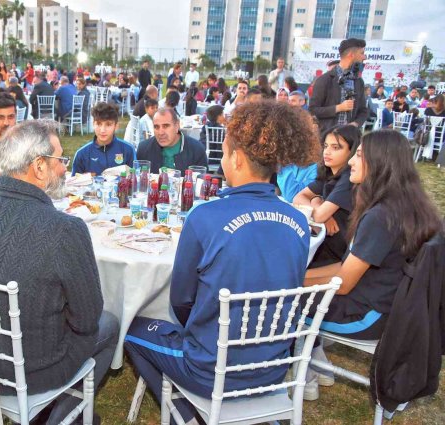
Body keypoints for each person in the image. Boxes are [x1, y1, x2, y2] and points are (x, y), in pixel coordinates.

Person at [125, 101, 318, 423]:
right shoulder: (297, 221)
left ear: (237, 158)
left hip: (210, 368)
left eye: (225, 153)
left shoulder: (205, 217)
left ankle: (183, 414)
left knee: (130, 329)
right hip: (273, 366)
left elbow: (182, 301)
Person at [0, 119, 118, 424]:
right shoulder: (65, 229)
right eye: (60, 160)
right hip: (34, 368)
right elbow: (88, 318)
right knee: (110, 324)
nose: (64, 168)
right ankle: (62, 414)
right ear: (39, 166)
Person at [302, 129, 443, 399]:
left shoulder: (380, 216)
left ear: (380, 162)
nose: (352, 162)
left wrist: (293, 281)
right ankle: (314, 365)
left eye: (358, 155)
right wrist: (300, 275)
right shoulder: (410, 205)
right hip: (394, 308)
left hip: (368, 315)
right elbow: (346, 268)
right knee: (298, 283)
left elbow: (342, 284)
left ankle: (306, 376)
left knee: (281, 302)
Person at [294, 125, 360, 266]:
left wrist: (317, 203)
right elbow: (298, 197)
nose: (327, 152)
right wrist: (318, 205)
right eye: (326, 146)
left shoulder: (348, 179)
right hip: (323, 242)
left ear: (351, 152)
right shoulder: (329, 173)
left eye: (336, 148)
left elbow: (318, 216)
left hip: (336, 254)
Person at [309, 38, 369, 133]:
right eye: (361, 53)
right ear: (351, 55)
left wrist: (356, 124)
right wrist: (338, 108)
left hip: (350, 138)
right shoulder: (325, 80)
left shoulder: (358, 81)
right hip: (328, 136)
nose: (364, 57)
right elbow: (313, 110)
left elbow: (363, 110)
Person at [136, 107, 207, 173]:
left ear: (177, 126)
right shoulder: (144, 149)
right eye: (156, 127)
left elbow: (201, 182)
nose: (161, 132)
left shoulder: (196, 150)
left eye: (166, 126)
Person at [71, 102, 135, 175]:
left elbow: (134, 179)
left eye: (108, 124)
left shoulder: (128, 150)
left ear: (116, 126)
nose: (102, 130)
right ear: (93, 124)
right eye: (98, 124)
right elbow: (74, 183)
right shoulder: (82, 154)